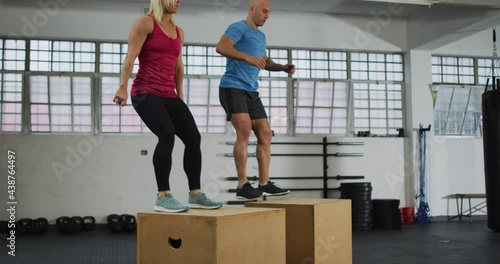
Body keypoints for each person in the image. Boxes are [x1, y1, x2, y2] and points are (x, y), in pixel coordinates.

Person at [113, 0, 223, 212]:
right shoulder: (146, 23)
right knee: (167, 134)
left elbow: (179, 67)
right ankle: (163, 196)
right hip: (144, 92)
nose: (178, 1)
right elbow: (130, 57)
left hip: (168, 94)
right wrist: (122, 87)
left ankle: (195, 194)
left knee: (193, 138)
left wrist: (179, 96)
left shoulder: (178, 32)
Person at [216, 0, 295, 200]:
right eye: (264, 11)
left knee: (265, 133)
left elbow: (265, 61)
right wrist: (246, 58)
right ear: (252, 9)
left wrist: (282, 68)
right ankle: (242, 184)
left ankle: (264, 183)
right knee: (244, 130)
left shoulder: (260, 36)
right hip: (232, 87)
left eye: (269, 12)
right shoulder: (238, 28)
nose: (267, 15)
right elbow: (221, 47)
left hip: (251, 91)